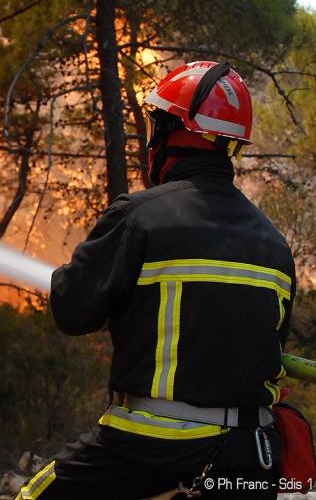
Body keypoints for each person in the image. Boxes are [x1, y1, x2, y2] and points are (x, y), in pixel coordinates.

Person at [16, 61, 296, 499]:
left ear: (170, 132)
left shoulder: (140, 217)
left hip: (150, 450)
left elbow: (72, 311)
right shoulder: (275, 245)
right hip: (248, 460)